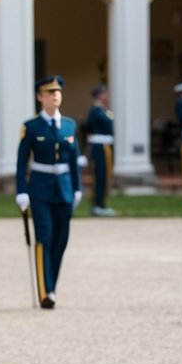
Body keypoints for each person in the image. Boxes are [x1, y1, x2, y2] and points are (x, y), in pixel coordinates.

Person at [15, 75, 83, 309]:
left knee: (61, 239)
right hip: (40, 189)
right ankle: (46, 292)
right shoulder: (32, 127)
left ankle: (51, 286)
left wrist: (77, 188)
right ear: (40, 97)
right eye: (49, 92)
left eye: (57, 91)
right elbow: (21, 161)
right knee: (44, 236)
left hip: (64, 189)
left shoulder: (69, 125)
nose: (55, 95)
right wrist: (21, 190)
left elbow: (74, 160)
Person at [85, 84, 116, 217]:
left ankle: (102, 203)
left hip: (105, 145)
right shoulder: (95, 111)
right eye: (105, 94)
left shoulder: (104, 110)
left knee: (105, 176)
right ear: (99, 96)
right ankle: (98, 205)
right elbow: (89, 127)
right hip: (99, 146)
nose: (107, 96)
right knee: (100, 176)